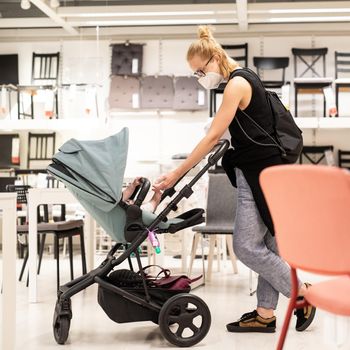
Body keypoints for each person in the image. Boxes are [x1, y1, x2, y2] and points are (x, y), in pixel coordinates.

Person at [153, 25, 316, 333]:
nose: (201, 79)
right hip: (266, 172)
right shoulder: (244, 79)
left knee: (244, 246)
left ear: (215, 58)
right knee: (269, 243)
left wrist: (176, 172)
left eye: (200, 72)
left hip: (258, 175)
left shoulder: (236, 84)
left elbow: (214, 135)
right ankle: (265, 314)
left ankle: (303, 293)